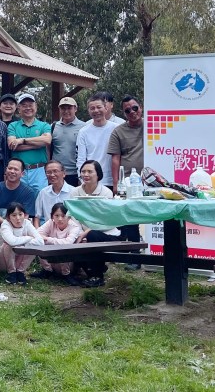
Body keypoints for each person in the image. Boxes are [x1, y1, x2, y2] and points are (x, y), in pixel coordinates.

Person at [71, 160, 120, 287]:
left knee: (92, 236)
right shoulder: (75, 192)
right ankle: (88, 272)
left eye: (90, 171)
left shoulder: (106, 193)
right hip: (82, 233)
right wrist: (80, 234)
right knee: (73, 238)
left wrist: (86, 233)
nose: (86, 174)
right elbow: (73, 217)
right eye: (83, 171)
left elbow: (106, 220)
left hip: (106, 234)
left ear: (98, 175)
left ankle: (97, 277)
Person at [108, 95, 145, 244]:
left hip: (153, 180)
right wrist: (116, 183)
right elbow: (115, 158)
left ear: (141, 107)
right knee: (131, 217)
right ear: (124, 114)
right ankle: (134, 251)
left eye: (135, 108)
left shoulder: (153, 125)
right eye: (127, 110)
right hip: (129, 182)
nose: (132, 112)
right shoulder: (118, 132)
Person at [0, 158, 37, 251]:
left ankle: (18, 249)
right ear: (6, 170)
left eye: (16, 169)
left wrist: (13, 224)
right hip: (0, 224)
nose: (12, 171)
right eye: (10, 168)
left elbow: (26, 216)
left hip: (18, 226)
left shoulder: (28, 192)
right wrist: (5, 223)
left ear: (22, 174)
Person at [7, 93, 52, 194]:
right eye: (24, 105)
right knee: (18, 200)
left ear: (36, 107)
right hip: (19, 171)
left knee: (39, 199)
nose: (28, 108)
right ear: (19, 109)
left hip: (39, 171)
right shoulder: (13, 126)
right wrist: (38, 143)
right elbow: (12, 145)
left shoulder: (44, 125)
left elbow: (47, 140)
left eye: (30, 105)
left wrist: (22, 140)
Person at [0, 201, 44, 285]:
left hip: (20, 259)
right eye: (14, 215)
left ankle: (20, 272)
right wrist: (28, 238)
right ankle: (11, 273)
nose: (18, 218)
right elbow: (11, 241)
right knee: (8, 245)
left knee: (34, 246)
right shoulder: (5, 225)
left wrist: (24, 242)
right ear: (8, 217)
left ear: (25, 215)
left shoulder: (27, 223)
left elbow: (40, 241)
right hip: (4, 261)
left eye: (20, 214)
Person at [35, 202, 83, 284]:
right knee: (38, 243)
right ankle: (47, 270)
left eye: (63, 216)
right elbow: (37, 234)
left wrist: (48, 239)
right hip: (52, 260)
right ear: (52, 216)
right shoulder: (50, 223)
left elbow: (67, 243)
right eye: (56, 216)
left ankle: (66, 274)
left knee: (63, 248)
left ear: (69, 217)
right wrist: (46, 239)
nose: (60, 219)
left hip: (70, 263)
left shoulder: (74, 227)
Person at [76, 94, 116, 191]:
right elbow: (80, 159)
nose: (96, 111)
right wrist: (82, 179)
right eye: (92, 108)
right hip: (91, 181)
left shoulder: (115, 128)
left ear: (106, 108)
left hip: (111, 180)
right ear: (88, 111)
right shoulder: (83, 132)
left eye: (99, 107)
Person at [51, 97, 84, 187]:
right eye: (63, 108)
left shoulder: (83, 127)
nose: (66, 111)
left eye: (69, 108)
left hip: (75, 173)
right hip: (57, 173)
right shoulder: (53, 126)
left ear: (75, 109)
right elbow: (49, 149)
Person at [34, 160, 75, 227]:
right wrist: (37, 232)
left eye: (55, 171)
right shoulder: (43, 193)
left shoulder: (73, 192)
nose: (52, 175)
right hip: (49, 230)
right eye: (48, 172)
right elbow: (37, 217)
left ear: (64, 173)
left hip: (70, 230)